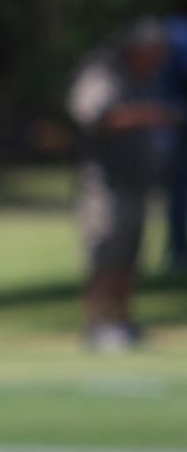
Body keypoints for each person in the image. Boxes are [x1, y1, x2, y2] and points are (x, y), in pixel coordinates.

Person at [67, 19, 180, 352]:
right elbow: (94, 115)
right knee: (105, 254)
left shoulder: (145, 76)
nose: (159, 59)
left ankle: (121, 323)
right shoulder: (102, 72)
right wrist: (151, 116)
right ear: (138, 48)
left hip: (137, 181)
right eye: (154, 52)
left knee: (130, 257)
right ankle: (96, 326)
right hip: (104, 184)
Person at [161, 11, 187, 271]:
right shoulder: (178, 34)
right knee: (179, 192)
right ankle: (179, 251)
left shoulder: (169, 31)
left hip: (170, 126)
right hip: (176, 124)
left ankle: (177, 250)